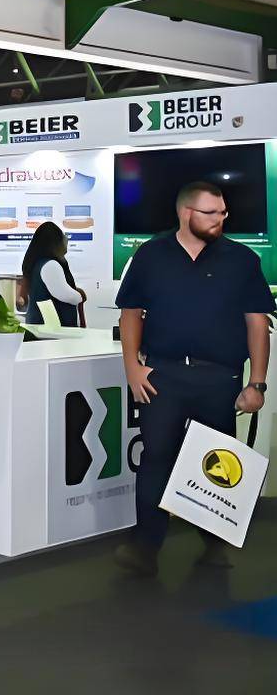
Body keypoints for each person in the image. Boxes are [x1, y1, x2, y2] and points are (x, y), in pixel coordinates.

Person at [113, 180, 271, 577]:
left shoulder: (242, 260)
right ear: (186, 213)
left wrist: (257, 383)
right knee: (156, 457)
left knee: (216, 461)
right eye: (211, 213)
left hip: (219, 377)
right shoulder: (151, 255)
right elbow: (130, 313)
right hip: (162, 375)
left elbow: (257, 323)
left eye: (223, 213)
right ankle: (145, 546)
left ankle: (215, 543)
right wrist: (132, 367)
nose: (220, 219)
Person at [22, 221, 84, 326]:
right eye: (63, 238)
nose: (66, 240)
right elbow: (65, 295)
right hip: (51, 329)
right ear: (55, 242)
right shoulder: (50, 265)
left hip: (40, 326)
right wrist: (79, 296)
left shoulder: (38, 263)